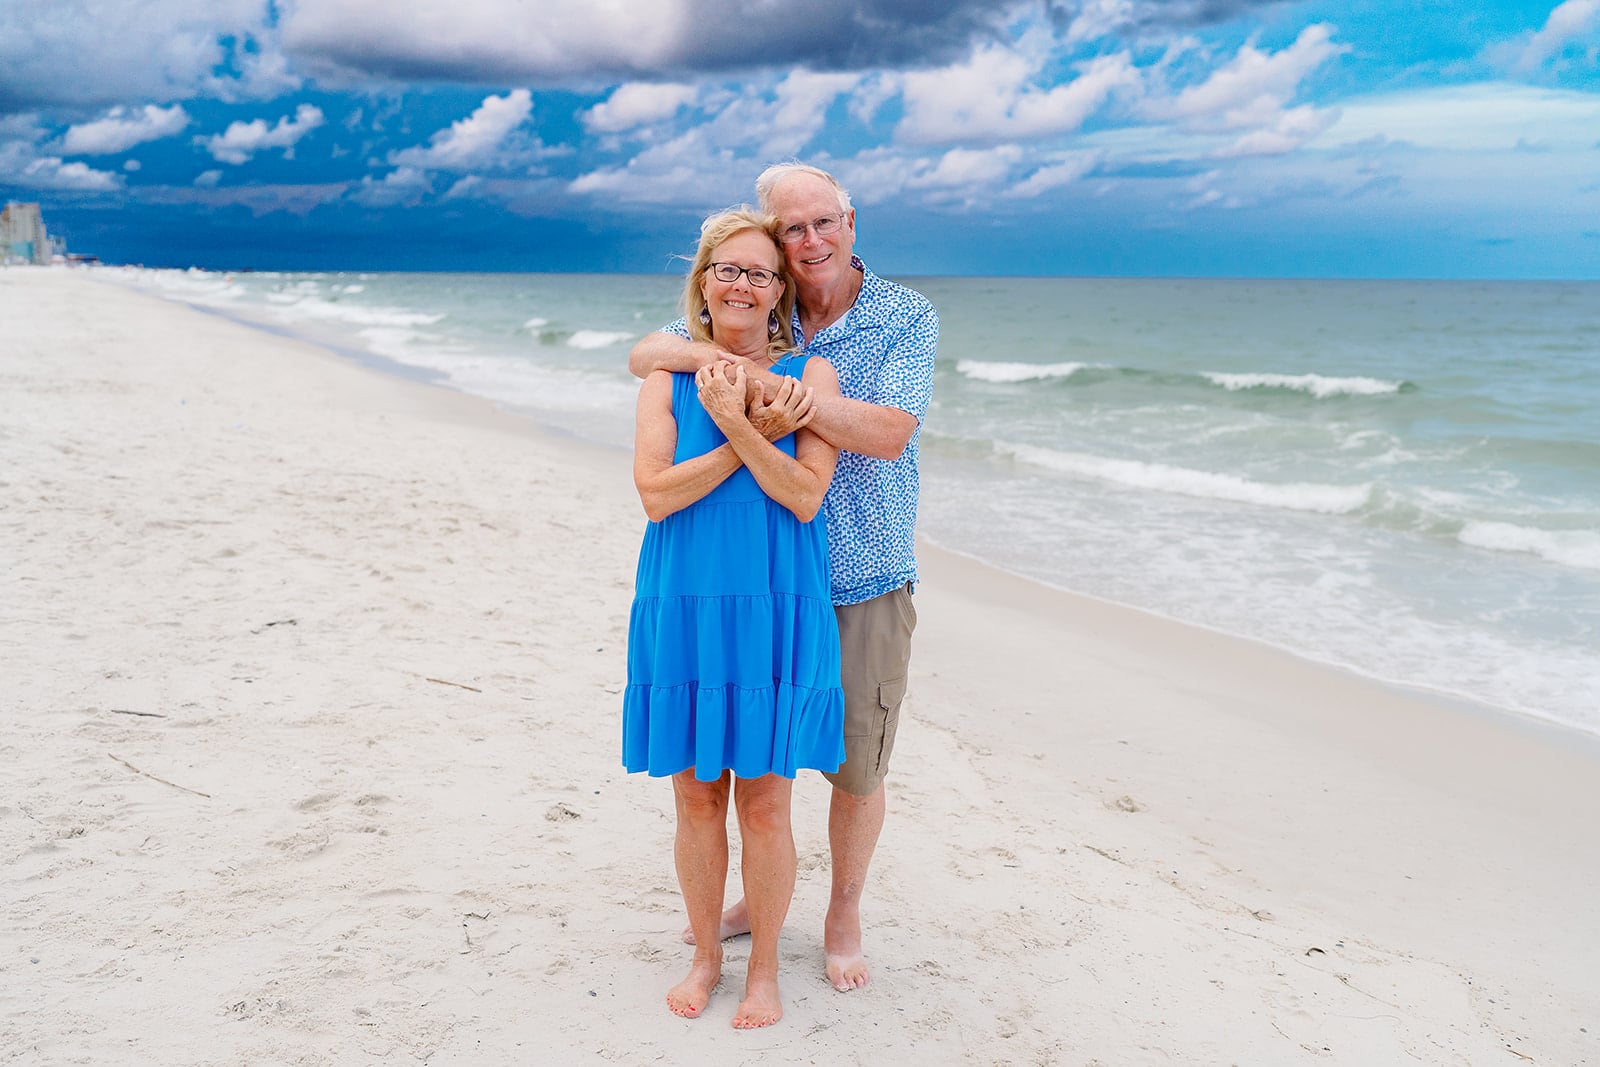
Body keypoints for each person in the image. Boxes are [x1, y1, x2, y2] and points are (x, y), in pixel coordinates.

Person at [629, 161, 938, 992]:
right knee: (723, 782)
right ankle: (742, 918)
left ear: (850, 219)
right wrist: (734, 403)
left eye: (821, 224)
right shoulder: (761, 300)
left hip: (859, 572)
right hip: (747, 583)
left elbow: (885, 435)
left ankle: (841, 910)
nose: (808, 243)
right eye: (789, 232)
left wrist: (752, 399)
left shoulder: (902, 318)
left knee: (853, 766)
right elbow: (652, 349)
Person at [623, 207, 846, 1028]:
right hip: (684, 598)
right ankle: (707, 955)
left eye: (760, 272)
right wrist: (740, 429)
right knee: (696, 797)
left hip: (775, 603)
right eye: (729, 269)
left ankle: (764, 972)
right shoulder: (665, 376)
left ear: (779, 289)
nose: (742, 284)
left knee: (765, 802)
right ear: (705, 283)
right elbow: (655, 495)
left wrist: (750, 428)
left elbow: (802, 494)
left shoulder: (810, 381)